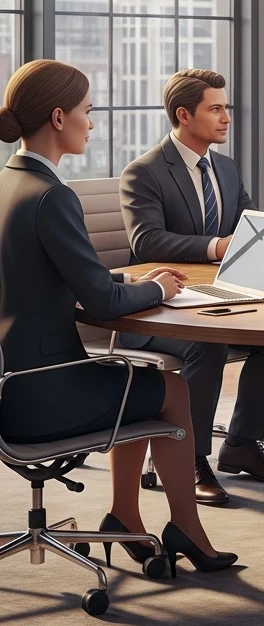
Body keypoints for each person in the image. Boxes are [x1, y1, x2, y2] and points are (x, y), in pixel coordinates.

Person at [0, 60, 235, 575]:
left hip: (10, 382)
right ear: (60, 117)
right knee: (170, 390)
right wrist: (154, 286)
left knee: (139, 380)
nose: (94, 121)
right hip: (43, 392)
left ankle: (123, 514)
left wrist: (128, 282)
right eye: (88, 111)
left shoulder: (8, 184)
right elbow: (102, 307)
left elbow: (58, 277)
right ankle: (186, 529)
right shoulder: (51, 196)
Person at [119, 68, 264, 506]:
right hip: (153, 310)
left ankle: (241, 445)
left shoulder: (224, 166)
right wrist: (216, 247)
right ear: (184, 115)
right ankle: (191, 459)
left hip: (211, 299)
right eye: (216, 108)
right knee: (209, 344)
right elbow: (145, 241)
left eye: (227, 107)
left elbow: (249, 224)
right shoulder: (143, 172)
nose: (226, 117)